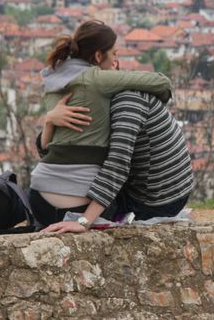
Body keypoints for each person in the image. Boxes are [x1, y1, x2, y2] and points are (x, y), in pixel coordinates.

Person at [29, 20, 173, 227]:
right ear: (98, 56)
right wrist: (83, 222)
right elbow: (162, 83)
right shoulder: (97, 78)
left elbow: (45, 150)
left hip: (38, 198)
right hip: (78, 206)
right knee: (124, 193)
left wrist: (49, 121)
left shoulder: (53, 79)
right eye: (114, 54)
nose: (116, 58)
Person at [38, 85, 195, 234]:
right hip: (142, 190)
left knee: (59, 206)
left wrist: (83, 222)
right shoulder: (97, 100)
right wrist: (50, 121)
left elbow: (117, 165)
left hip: (156, 202)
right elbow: (50, 158)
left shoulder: (127, 101)